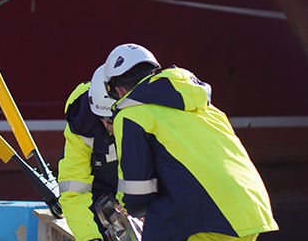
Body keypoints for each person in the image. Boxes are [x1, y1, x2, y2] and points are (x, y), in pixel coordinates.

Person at [100, 43, 278, 241]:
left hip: (204, 218)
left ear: (118, 90)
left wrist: (127, 206)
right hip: (249, 210)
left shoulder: (130, 115)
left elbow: (136, 193)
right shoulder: (206, 106)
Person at [58, 64, 119, 241]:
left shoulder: (149, 120)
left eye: (116, 120)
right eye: (107, 121)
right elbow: (74, 192)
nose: (112, 127)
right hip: (98, 200)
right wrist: (89, 237)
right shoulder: (82, 127)